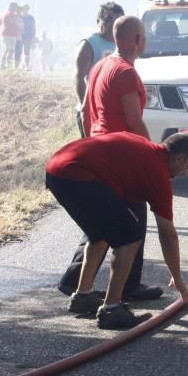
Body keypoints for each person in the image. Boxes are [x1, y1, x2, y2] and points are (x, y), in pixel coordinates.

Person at [57, 15, 163, 302]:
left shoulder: (100, 66)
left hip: (100, 150)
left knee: (102, 222)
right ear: (139, 40)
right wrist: (153, 155)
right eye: (143, 36)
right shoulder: (126, 73)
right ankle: (126, 286)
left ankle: (75, 280)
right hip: (123, 156)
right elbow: (133, 121)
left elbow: (88, 112)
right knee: (132, 222)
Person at [46, 132, 188, 329]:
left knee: (101, 233)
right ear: (179, 158)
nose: (186, 172)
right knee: (129, 236)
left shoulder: (147, 151)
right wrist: (177, 278)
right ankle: (112, 309)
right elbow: (168, 234)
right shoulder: (157, 172)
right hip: (75, 174)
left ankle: (83, 296)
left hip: (57, 169)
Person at [73, 1, 124, 136]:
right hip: (94, 112)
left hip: (115, 111)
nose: (112, 24)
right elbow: (78, 78)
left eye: (117, 20)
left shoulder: (124, 43)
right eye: (108, 19)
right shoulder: (89, 44)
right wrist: (86, 108)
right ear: (98, 21)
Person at [0, 2, 22, 69]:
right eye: (15, 7)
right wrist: (18, 25)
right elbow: (14, 22)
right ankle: (8, 66)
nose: (16, 9)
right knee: (10, 51)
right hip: (10, 35)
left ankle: (2, 65)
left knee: (5, 50)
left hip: (5, 34)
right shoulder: (11, 14)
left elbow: (0, 22)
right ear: (12, 6)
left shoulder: (4, 13)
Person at [21, 3, 36, 72]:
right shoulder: (19, 17)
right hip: (20, 36)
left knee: (27, 51)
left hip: (28, 37)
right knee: (20, 51)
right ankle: (21, 65)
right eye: (24, 9)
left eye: (27, 9)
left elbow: (34, 27)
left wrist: (33, 36)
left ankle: (27, 66)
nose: (26, 10)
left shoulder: (31, 17)